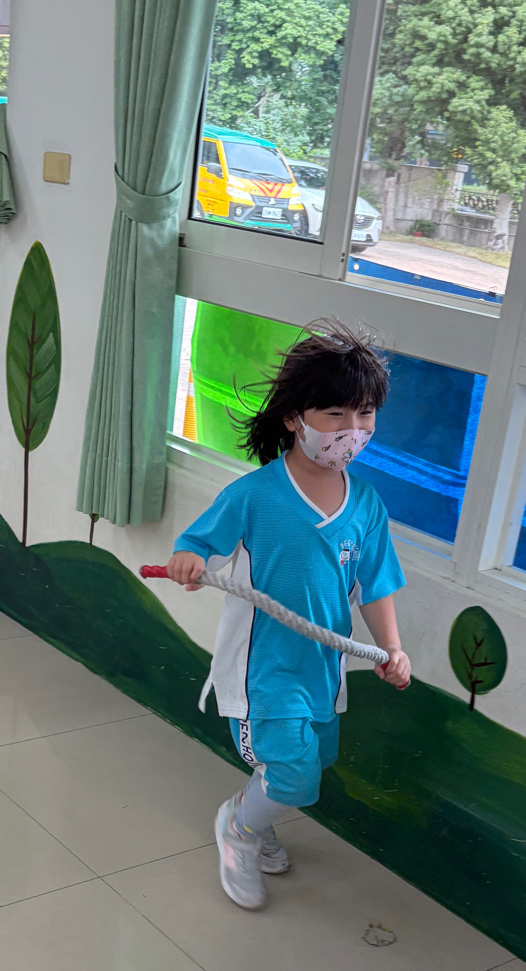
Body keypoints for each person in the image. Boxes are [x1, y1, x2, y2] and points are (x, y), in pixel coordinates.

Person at [166, 318, 410, 910]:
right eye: (336, 414)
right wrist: (188, 559)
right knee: (295, 773)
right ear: (295, 418)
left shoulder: (366, 504)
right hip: (264, 672)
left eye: (365, 415)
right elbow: (198, 545)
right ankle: (239, 828)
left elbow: (375, 585)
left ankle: (258, 818)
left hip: (321, 671)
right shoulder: (254, 495)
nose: (352, 431)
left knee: (308, 762)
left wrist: (392, 647)